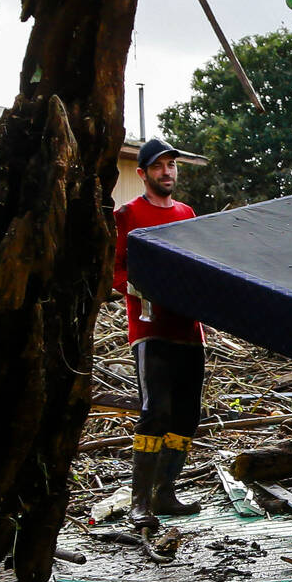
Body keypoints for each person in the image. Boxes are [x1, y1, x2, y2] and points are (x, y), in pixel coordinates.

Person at [112, 138, 204, 531]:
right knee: (156, 412)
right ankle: (140, 502)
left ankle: (165, 492)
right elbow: (115, 268)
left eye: (171, 165)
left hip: (190, 330)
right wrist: (137, 287)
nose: (167, 172)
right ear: (143, 173)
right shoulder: (127, 215)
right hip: (150, 330)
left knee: (186, 414)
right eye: (158, 166)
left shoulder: (187, 214)